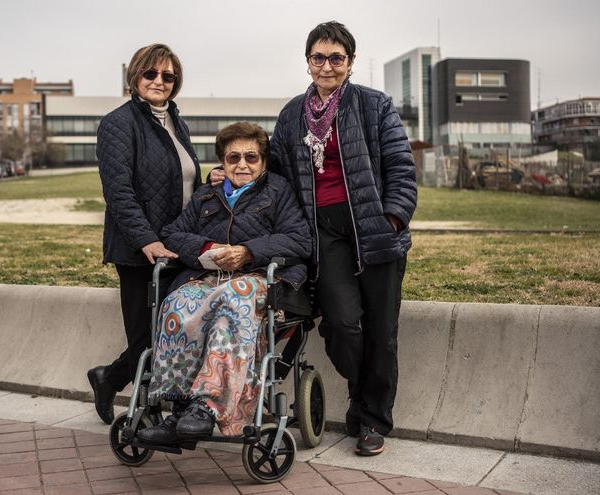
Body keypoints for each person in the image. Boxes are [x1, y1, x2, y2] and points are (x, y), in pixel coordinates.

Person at [269, 21, 417, 456]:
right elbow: (273, 173)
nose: (327, 65)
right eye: (319, 57)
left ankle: (373, 420)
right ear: (308, 61)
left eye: (336, 58)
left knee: (381, 329)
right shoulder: (292, 113)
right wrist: (228, 173)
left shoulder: (374, 105)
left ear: (350, 62)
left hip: (374, 230)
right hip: (323, 233)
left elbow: (400, 167)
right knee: (341, 322)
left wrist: (391, 218)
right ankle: (359, 389)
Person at [136, 122, 311, 445]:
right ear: (222, 161)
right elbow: (173, 234)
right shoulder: (208, 194)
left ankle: (208, 406)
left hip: (259, 278)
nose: (242, 165)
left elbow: (299, 240)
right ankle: (178, 406)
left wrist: (248, 252)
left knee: (233, 296)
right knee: (177, 302)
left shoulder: (278, 191)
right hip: (208, 276)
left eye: (251, 157)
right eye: (233, 158)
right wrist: (206, 249)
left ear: (263, 161)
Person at [88, 43, 201, 425]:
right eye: (151, 73)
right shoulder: (118, 124)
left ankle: (157, 398)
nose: (159, 81)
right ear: (135, 76)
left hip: (176, 247)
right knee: (145, 339)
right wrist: (146, 240)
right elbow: (119, 192)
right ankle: (112, 380)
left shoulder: (176, 122)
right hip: (140, 251)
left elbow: (182, 182)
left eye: (168, 76)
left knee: (173, 332)